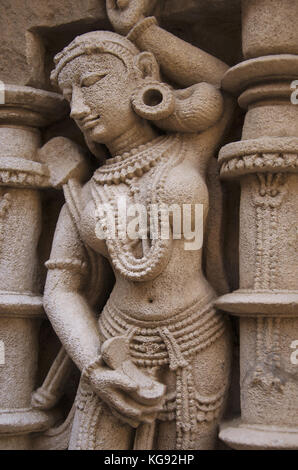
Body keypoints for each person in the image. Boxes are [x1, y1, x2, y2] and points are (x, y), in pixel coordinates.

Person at [45, 0, 233, 450]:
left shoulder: (188, 148)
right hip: (113, 343)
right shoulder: (84, 190)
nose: (77, 107)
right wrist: (93, 366)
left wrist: (141, 31)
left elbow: (220, 84)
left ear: (142, 74)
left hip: (195, 337)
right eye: (70, 96)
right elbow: (60, 289)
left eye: (91, 84)